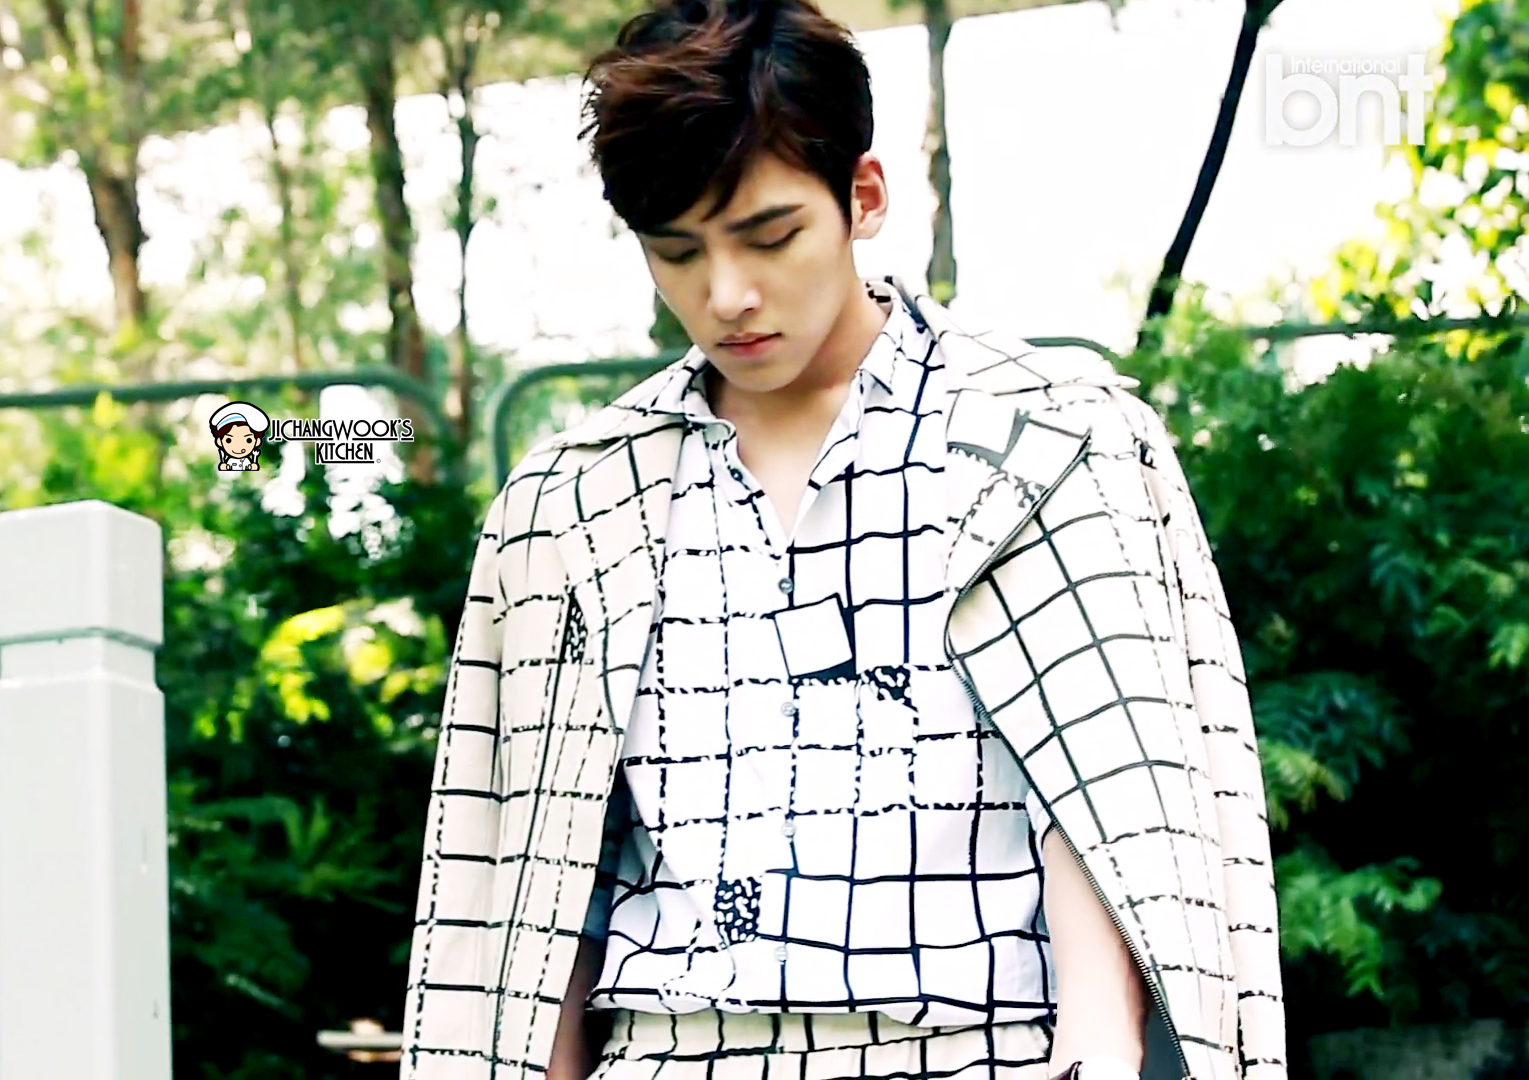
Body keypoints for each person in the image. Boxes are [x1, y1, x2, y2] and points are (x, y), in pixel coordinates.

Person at [399, 1, 1285, 1078]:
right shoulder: (574, 502)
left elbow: (1109, 793)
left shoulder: (1048, 441)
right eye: (677, 251)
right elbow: (540, 878)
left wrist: (1100, 1050)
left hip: (973, 1053)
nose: (727, 295)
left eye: (770, 236)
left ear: (863, 196)